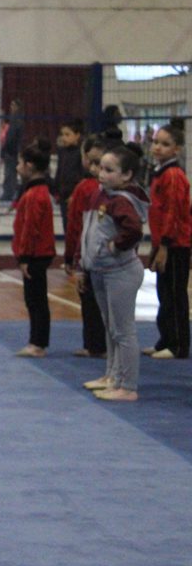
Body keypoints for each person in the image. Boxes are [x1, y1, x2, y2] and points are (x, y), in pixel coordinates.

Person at [76, 145, 149, 402]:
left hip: (120, 271)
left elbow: (134, 230)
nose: (101, 173)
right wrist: (81, 264)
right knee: (110, 328)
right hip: (101, 269)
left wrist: (116, 245)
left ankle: (127, 386)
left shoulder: (121, 200)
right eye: (100, 168)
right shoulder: (101, 195)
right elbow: (88, 233)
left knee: (123, 331)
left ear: (126, 175)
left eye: (109, 170)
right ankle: (112, 376)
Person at [144, 124, 191, 360]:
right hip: (164, 241)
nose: (158, 147)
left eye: (165, 144)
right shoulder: (160, 172)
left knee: (174, 294)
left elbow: (172, 212)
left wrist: (164, 244)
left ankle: (179, 345)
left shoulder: (173, 175)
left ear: (177, 149)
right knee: (164, 294)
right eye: (156, 142)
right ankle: (166, 339)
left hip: (175, 244)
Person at [63, 136, 108, 359]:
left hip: (91, 253)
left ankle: (95, 345)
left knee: (90, 299)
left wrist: (70, 257)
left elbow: (75, 226)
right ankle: (101, 344)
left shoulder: (85, 188)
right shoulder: (118, 189)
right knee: (105, 301)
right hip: (110, 254)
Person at [13, 139, 57, 358]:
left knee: (35, 300)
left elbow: (30, 228)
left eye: (20, 163)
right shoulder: (38, 191)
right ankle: (37, 341)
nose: (17, 167)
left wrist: (24, 256)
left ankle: (37, 342)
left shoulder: (34, 195)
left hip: (35, 254)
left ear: (29, 166)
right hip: (39, 252)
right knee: (36, 299)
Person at [55, 119, 84, 237]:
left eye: (67, 135)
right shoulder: (62, 152)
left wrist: (74, 195)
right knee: (66, 227)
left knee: (76, 227)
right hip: (63, 195)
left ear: (77, 136)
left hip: (75, 196)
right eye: (62, 134)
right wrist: (56, 190)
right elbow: (59, 172)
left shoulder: (80, 154)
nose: (64, 138)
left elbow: (82, 176)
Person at [0, 98, 24, 202]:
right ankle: (10, 192)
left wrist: (4, 149)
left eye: (13, 105)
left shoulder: (16, 120)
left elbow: (11, 137)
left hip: (11, 150)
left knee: (9, 173)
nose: (11, 107)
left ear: (18, 107)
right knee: (11, 173)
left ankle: (8, 194)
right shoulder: (15, 119)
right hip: (12, 149)